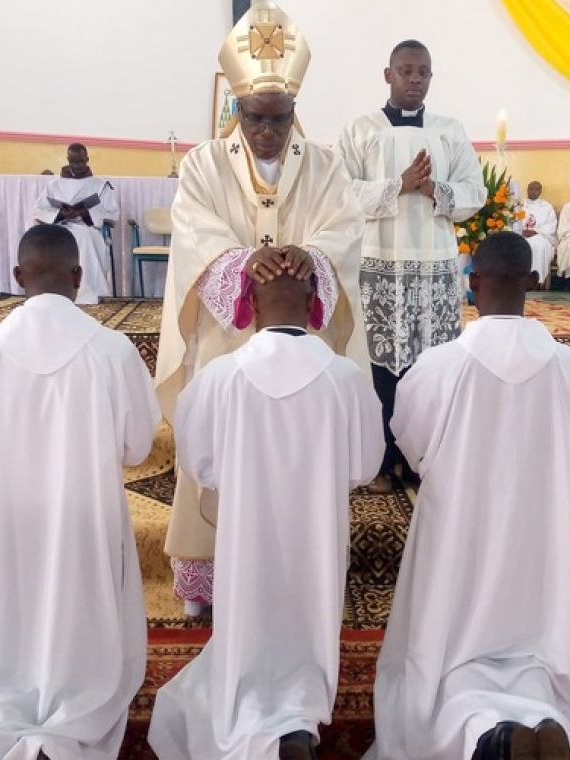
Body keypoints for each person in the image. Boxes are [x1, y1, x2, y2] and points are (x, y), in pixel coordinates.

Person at [156, 0, 367, 616]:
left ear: (294, 112)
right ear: (236, 110)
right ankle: (210, 580)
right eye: (255, 119)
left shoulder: (325, 164)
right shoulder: (202, 163)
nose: (267, 132)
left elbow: (345, 229)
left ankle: (299, 579)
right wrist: (240, 262)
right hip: (230, 338)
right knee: (221, 454)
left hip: (302, 346)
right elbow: (194, 230)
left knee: (298, 464)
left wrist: (311, 257)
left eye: (278, 119)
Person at [365, 231, 570, 760]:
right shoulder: (567, 364)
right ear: (534, 282)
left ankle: (486, 734)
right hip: (539, 534)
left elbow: (410, 440)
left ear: (472, 285)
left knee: (446, 655)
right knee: (535, 650)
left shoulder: (440, 365)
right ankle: (544, 717)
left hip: (459, 534)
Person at [149, 273, 384, 760]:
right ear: (313, 304)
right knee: (310, 617)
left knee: (247, 624)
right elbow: (364, 466)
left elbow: (201, 467)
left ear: (251, 303)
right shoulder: (345, 378)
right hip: (318, 534)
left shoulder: (220, 376)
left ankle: (256, 717)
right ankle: (298, 716)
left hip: (246, 534)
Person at [0, 224, 159, 760]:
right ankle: (73, 713)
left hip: (9, 518)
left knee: (12, 617)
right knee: (85, 610)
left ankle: (7, 716)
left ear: (18, 276)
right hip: (85, 514)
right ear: (79, 277)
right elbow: (138, 448)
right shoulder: (112, 349)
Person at [335, 39, 485, 494]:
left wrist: (434, 190)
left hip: (432, 264)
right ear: (388, 75)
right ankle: (380, 458)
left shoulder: (450, 131)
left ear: (431, 77)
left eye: (422, 72)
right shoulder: (359, 130)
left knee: (430, 364)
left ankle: (423, 457)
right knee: (379, 366)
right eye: (405, 71)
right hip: (380, 261)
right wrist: (397, 185)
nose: (414, 80)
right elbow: (338, 195)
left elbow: (474, 193)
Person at [31, 143, 119, 304]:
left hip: (87, 226)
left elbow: (112, 213)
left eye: (80, 162)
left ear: (87, 159)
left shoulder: (100, 185)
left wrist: (84, 213)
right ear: (67, 159)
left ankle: (87, 293)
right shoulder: (54, 185)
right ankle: (55, 292)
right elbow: (38, 210)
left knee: (84, 236)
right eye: (73, 162)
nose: (77, 166)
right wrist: (60, 213)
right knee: (55, 240)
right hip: (60, 225)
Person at [515, 180, 557, 285]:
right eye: (530, 189)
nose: (533, 191)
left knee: (539, 245)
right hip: (521, 234)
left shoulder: (547, 207)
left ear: (540, 191)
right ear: (527, 190)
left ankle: (537, 280)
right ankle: (519, 279)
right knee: (516, 245)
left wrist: (535, 231)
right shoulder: (519, 205)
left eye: (536, 189)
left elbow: (551, 225)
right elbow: (512, 222)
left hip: (540, 235)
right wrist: (521, 231)